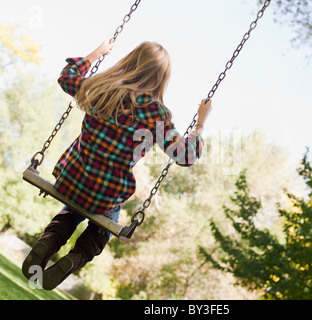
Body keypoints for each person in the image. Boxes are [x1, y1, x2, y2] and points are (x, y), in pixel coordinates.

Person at [22, 40, 213, 290]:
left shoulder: (100, 88)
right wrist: (199, 124)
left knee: (72, 210)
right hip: (106, 196)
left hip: (70, 179)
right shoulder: (155, 114)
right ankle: (74, 259)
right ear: (160, 79)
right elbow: (185, 156)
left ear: (131, 61)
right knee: (103, 226)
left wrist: (98, 53)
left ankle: (48, 242)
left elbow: (66, 76)